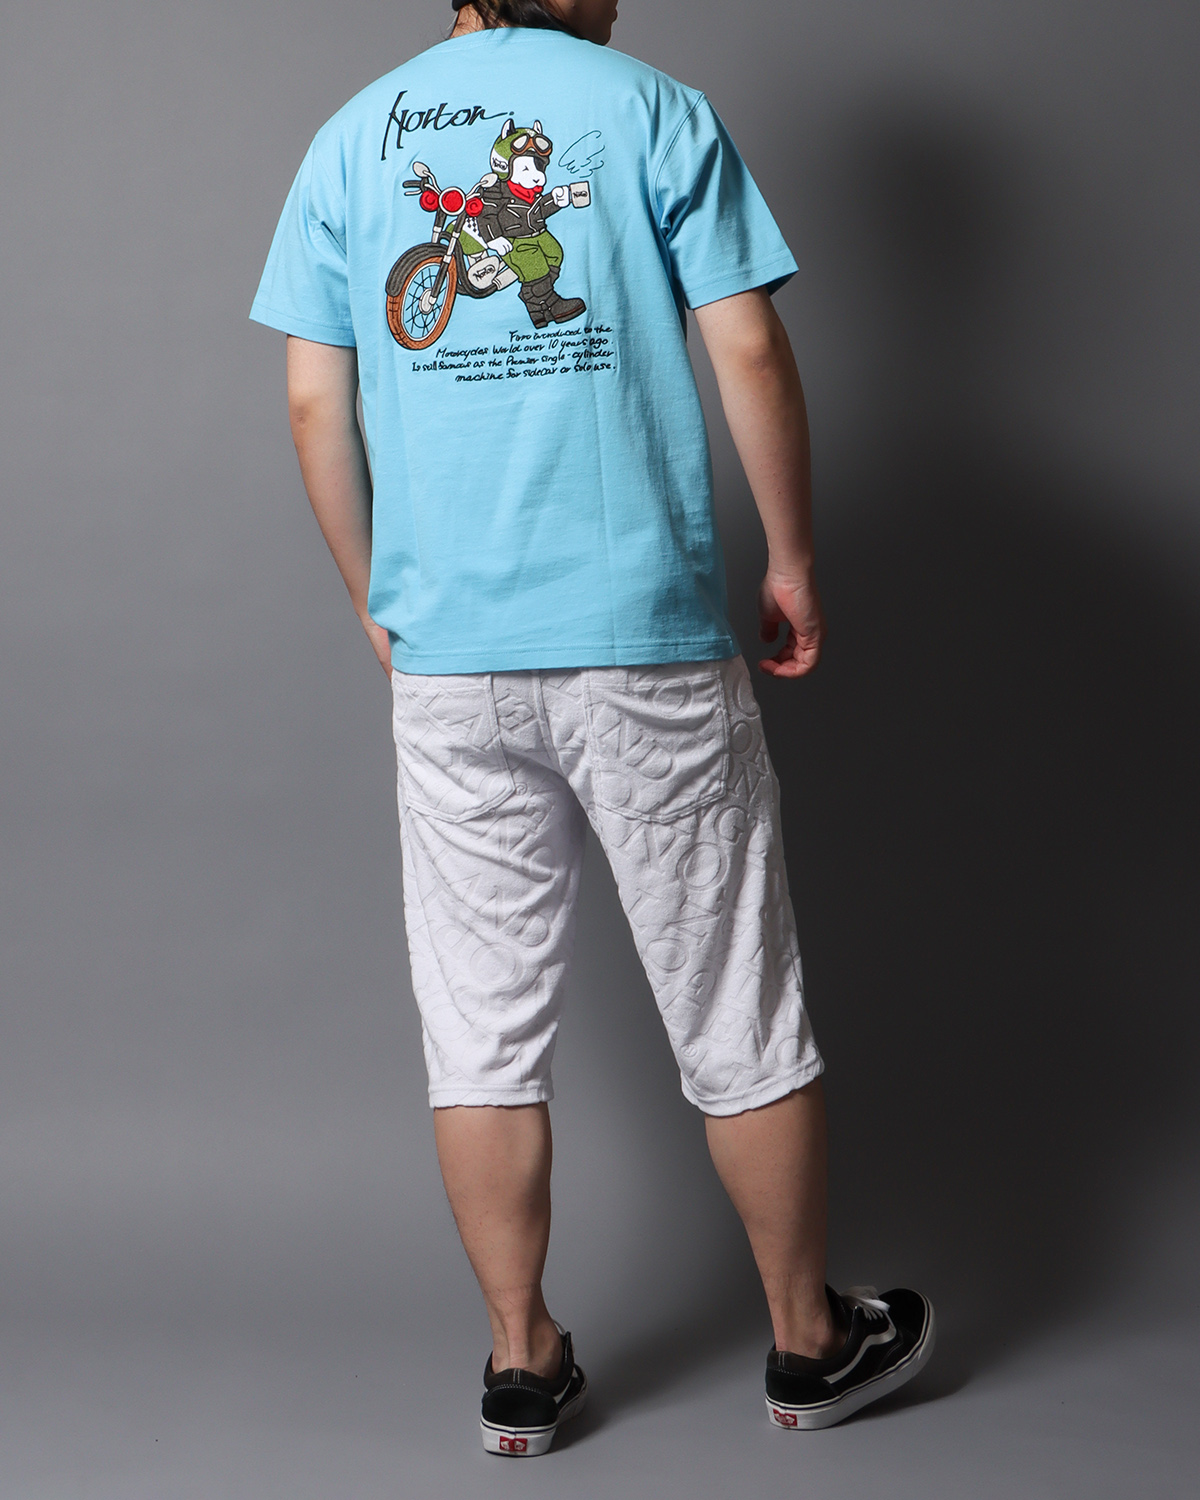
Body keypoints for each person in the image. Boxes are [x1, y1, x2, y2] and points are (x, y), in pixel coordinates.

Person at [250, 0, 934, 1456]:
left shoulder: (349, 137)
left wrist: (376, 596)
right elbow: (748, 348)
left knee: (480, 1022)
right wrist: (792, 560)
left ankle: (521, 1364)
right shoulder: (655, 110)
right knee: (735, 998)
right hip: (645, 644)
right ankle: (809, 1343)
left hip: (451, 657)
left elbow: (316, 400)